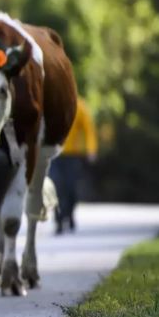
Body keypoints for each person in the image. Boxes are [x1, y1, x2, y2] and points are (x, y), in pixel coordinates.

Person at [51, 98, 98, 234]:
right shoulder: (51, 104)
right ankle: (58, 220)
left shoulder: (79, 106)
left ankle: (69, 214)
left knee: (71, 187)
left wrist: (91, 149)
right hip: (55, 154)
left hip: (73, 155)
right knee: (56, 185)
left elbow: (88, 129)